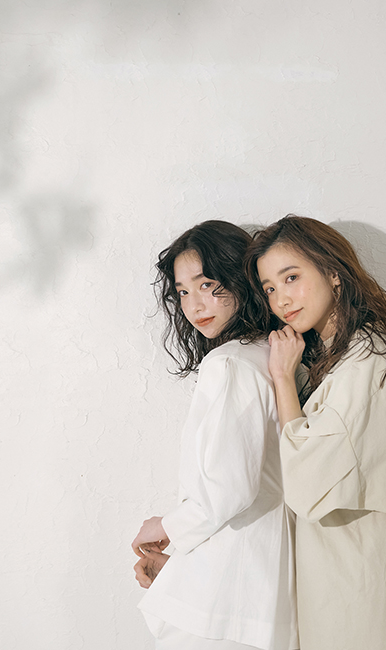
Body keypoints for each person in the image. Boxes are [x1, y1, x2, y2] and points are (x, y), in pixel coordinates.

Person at [247, 215, 386, 650]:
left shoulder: (366, 363)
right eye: (269, 288)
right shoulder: (346, 358)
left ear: (333, 273)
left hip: (367, 583)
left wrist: (282, 378)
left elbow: (307, 484)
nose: (281, 299)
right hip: (351, 575)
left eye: (291, 277)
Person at [131, 220, 296, 650]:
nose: (195, 305)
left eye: (207, 285)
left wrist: (165, 525)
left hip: (231, 590)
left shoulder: (230, 364)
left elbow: (230, 489)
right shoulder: (269, 354)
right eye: (183, 292)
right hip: (264, 577)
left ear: (240, 278)